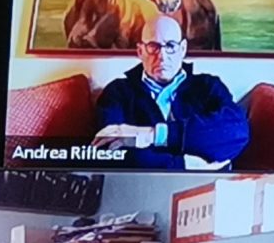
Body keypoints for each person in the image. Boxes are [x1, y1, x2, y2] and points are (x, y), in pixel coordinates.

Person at [91, 12, 251, 169]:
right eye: (153, 46)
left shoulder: (208, 86)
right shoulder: (117, 92)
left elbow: (236, 132)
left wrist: (152, 135)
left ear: (183, 49)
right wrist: (186, 165)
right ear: (140, 51)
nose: (162, 56)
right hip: (147, 184)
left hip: (205, 184)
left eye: (170, 46)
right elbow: (114, 152)